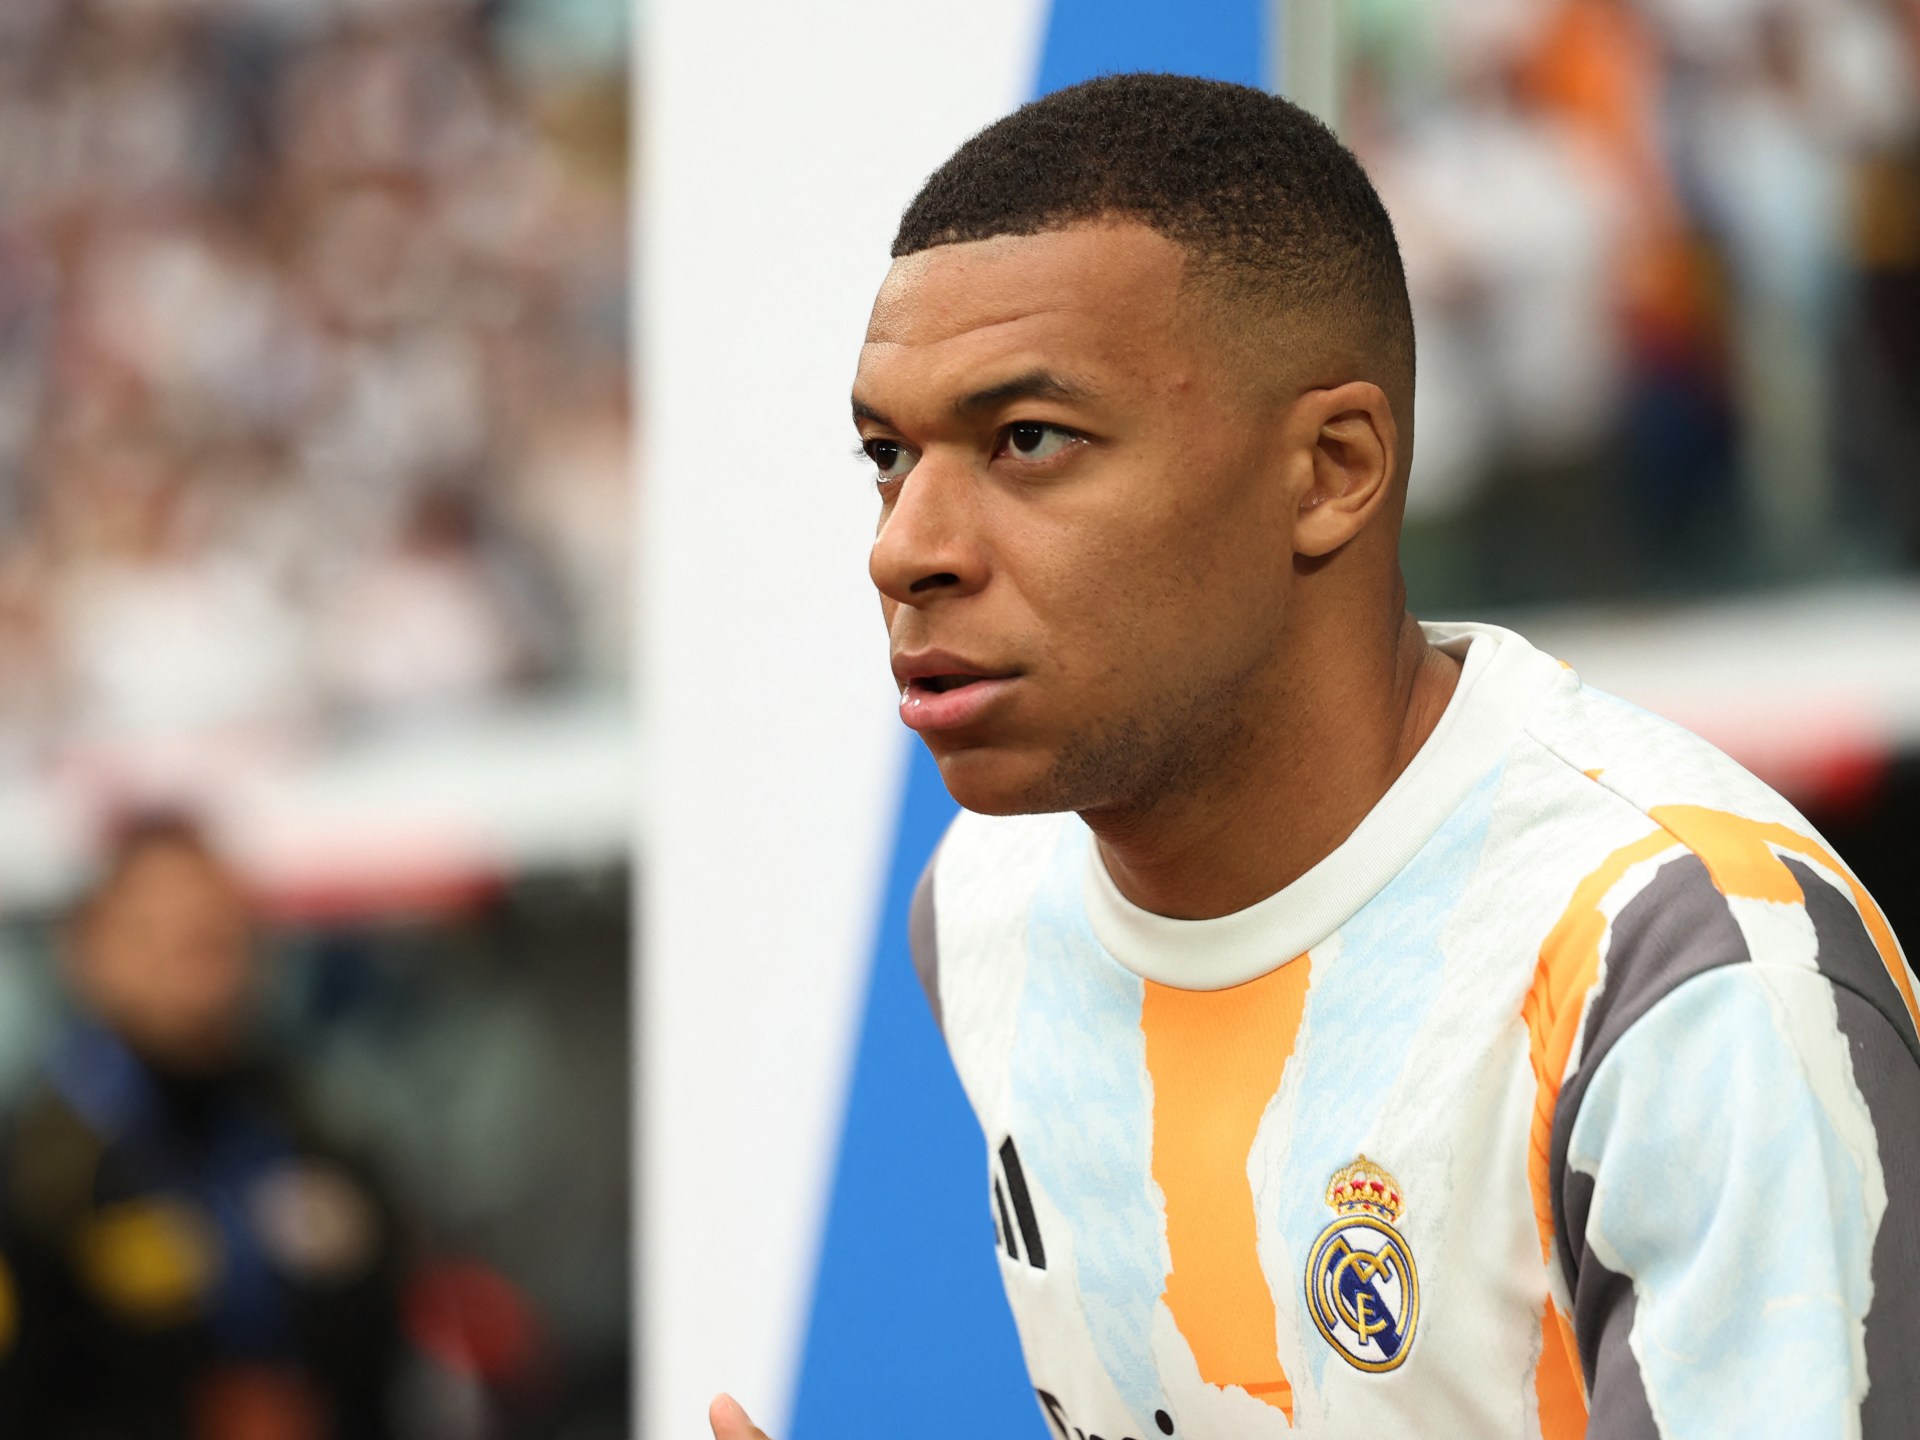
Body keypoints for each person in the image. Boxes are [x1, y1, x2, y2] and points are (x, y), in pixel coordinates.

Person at [713, 74, 1920, 1438]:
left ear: (1333, 469)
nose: (904, 547)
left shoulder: (1686, 977)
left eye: (1029, 440)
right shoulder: (988, 902)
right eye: (887, 454)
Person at [0, 814, 405, 1440]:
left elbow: (383, 1316)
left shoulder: (309, 1126)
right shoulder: (41, 1168)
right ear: (88, 948)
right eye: (158, 937)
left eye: (216, 938)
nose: (195, 973)